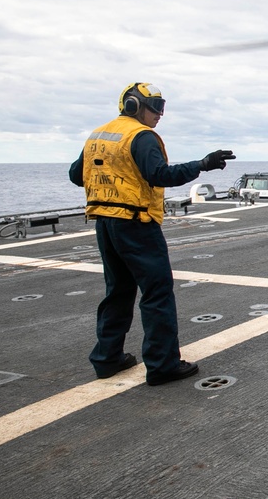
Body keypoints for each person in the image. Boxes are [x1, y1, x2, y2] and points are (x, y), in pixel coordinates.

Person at [69, 82, 235, 386]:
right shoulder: (141, 137)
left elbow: (75, 176)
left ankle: (107, 359)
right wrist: (202, 164)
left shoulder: (98, 135)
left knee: (117, 291)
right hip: (136, 224)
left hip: (105, 225)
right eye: (154, 107)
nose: (159, 114)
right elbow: (161, 175)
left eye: (161, 107)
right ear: (133, 105)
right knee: (157, 293)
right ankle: (162, 365)